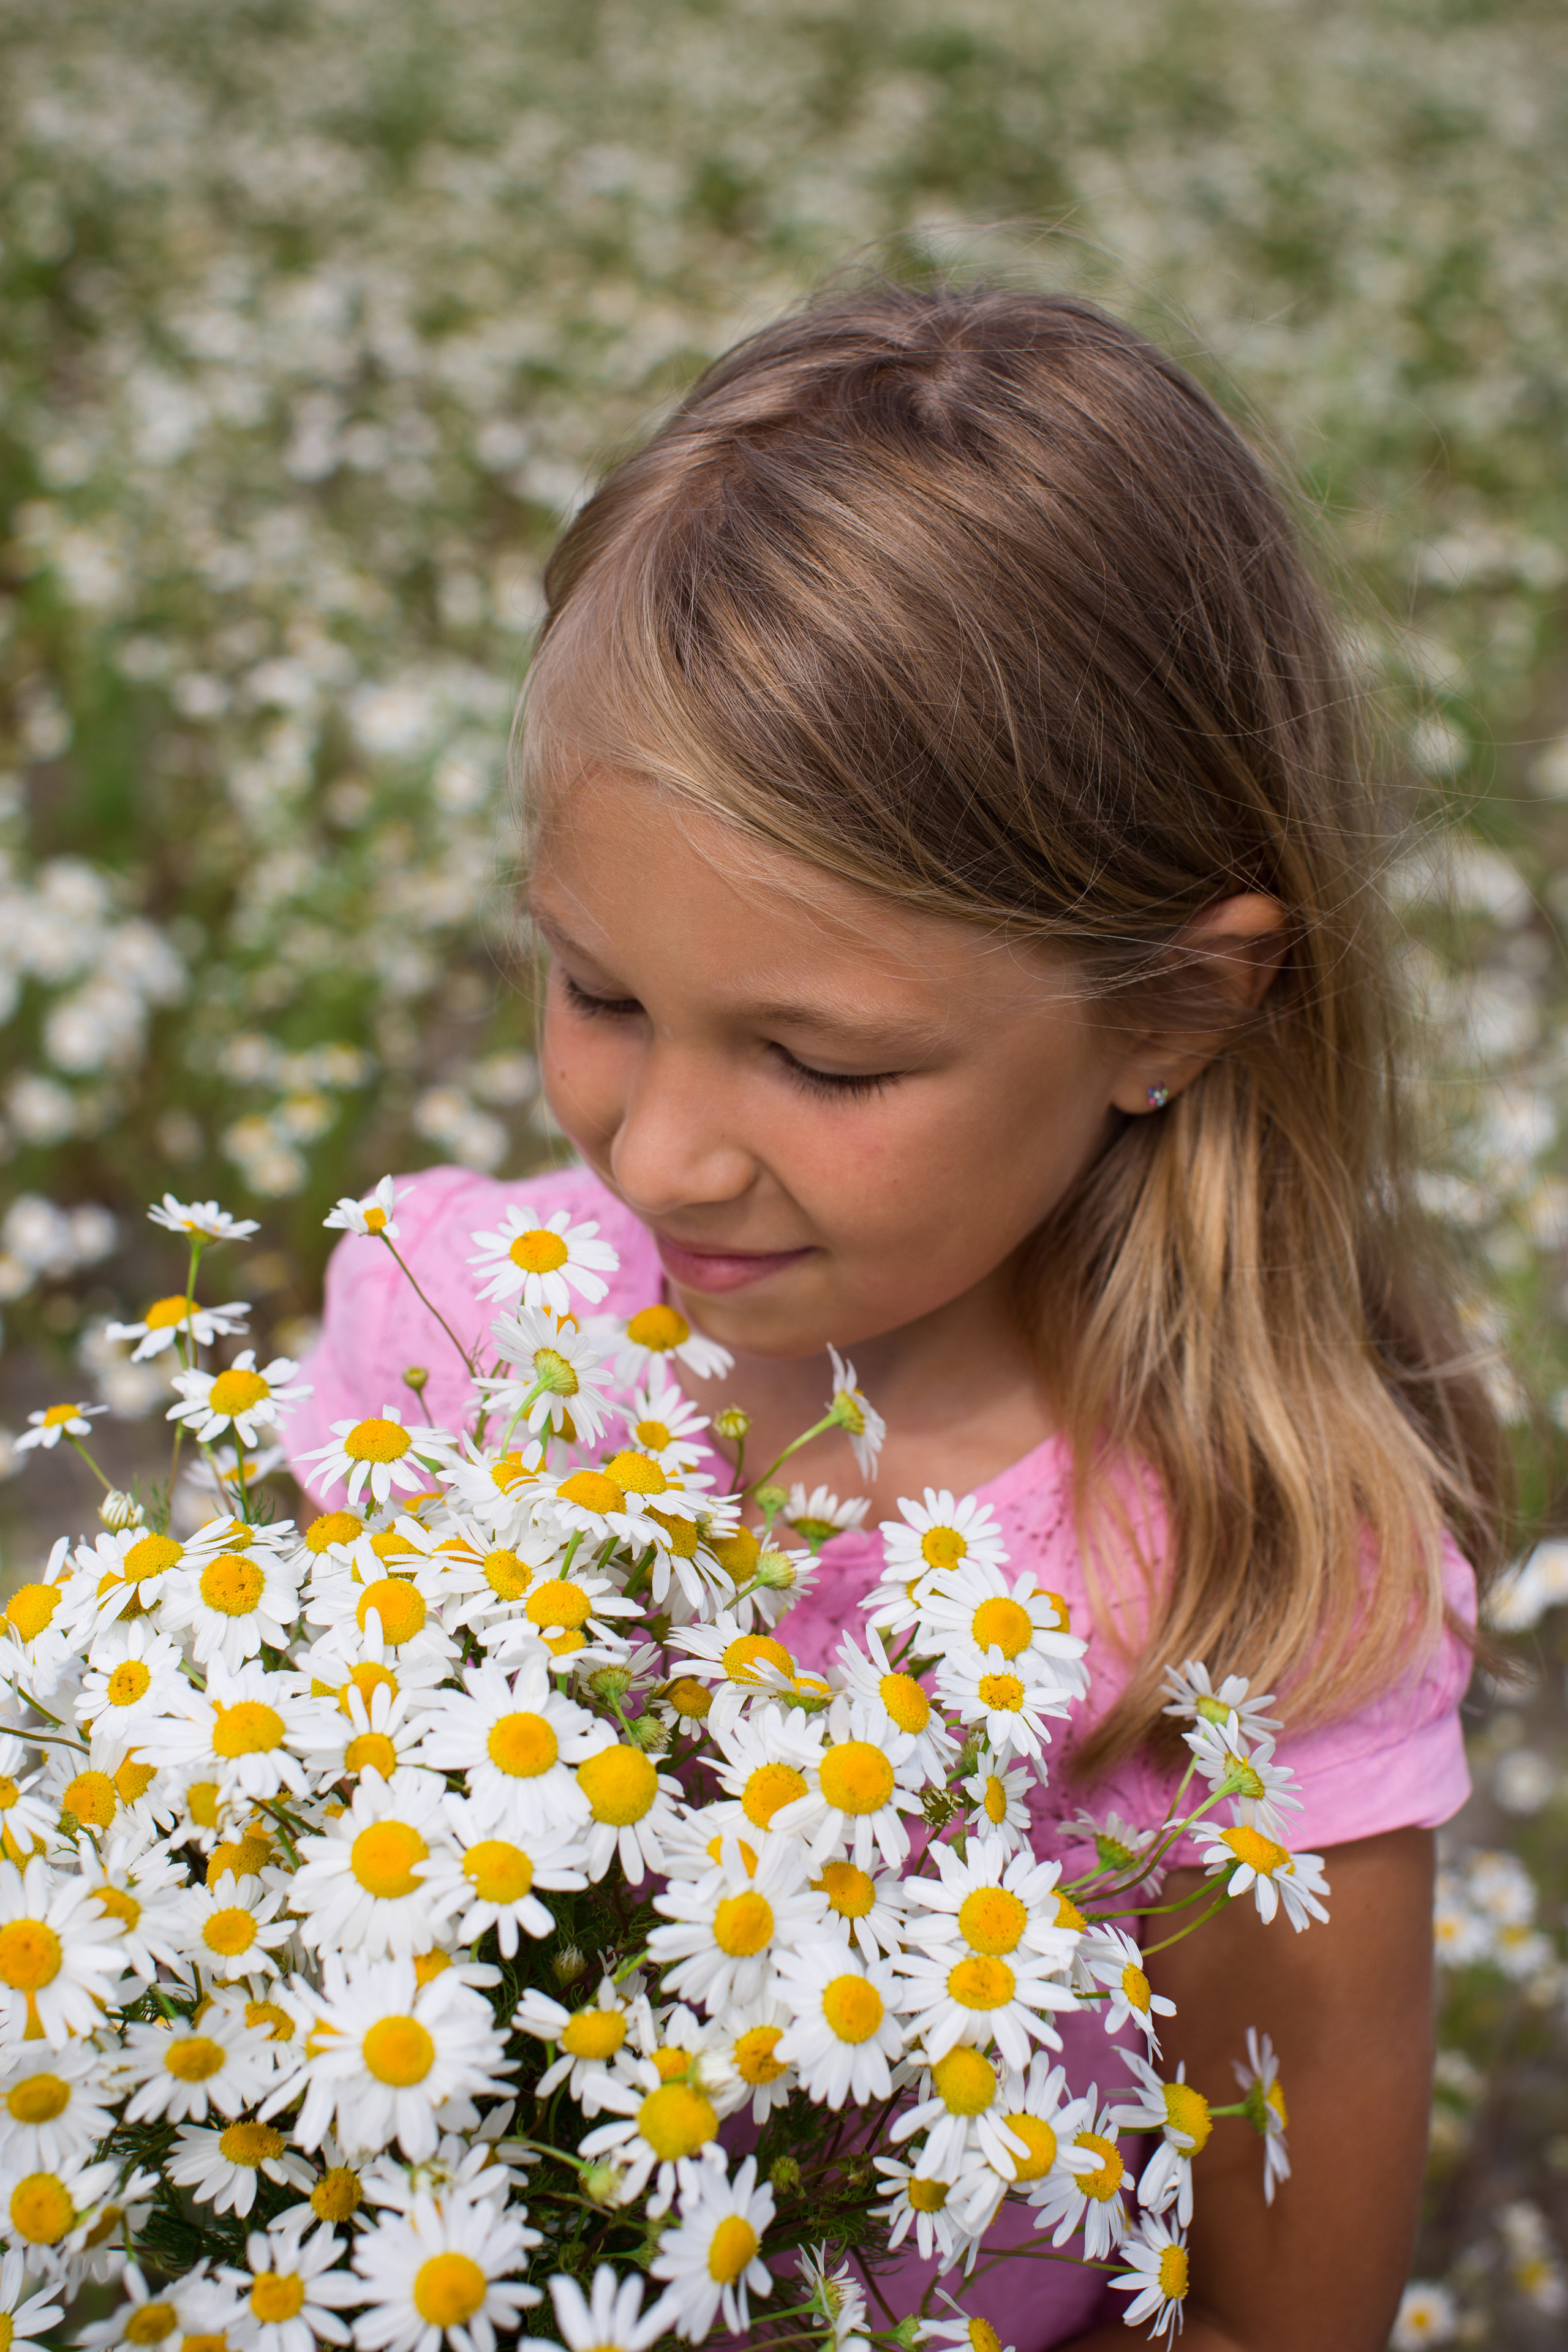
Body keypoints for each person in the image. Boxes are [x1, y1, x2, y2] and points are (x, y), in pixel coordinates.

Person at [289, 284, 1506, 2351]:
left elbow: (1284, 2312)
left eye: (824, 1064)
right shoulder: (456, 1343)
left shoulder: (1248, 1593)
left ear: (1172, 1015)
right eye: (599, 992)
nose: (661, 1154)